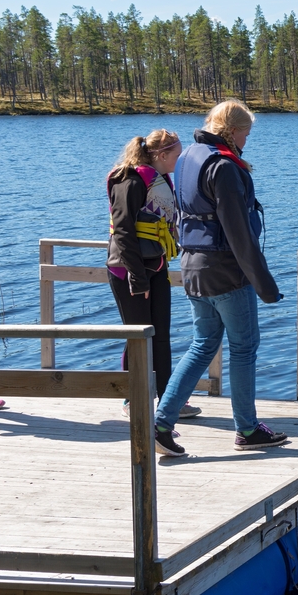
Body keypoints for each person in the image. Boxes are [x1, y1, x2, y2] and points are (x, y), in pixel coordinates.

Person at [154, 100, 286, 457]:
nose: (248, 138)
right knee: (244, 349)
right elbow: (238, 233)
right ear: (232, 130)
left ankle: (161, 422)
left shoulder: (188, 158)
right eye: (246, 131)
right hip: (227, 272)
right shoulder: (224, 166)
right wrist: (266, 285)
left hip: (193, 267)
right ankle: (247, 429)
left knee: (202, 344)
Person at [105, 129, 201, 420]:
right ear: (161, 155)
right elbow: (122, 231)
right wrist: (137, 277)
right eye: (177, 153)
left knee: (160, 336)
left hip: (156, 266)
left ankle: (169, 400)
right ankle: (132, 399)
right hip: (128, 271)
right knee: (138, 336)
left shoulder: (161, 180)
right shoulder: (130, 179)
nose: (181, 158)